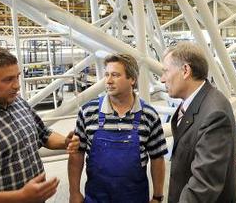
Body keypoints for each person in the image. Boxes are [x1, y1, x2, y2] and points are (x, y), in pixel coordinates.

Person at [0, 46, 80, 202]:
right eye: (8, 80)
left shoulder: (18, 103)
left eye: (17, 77)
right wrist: (20, 197)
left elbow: (43, 134)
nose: (17, 85)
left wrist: (65, 142)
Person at [69, 53, 168, 203]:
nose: (108, 81)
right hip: (97, 198)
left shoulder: (148, 115)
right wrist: (74, 192)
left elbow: (157, 158)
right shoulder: (88, 112)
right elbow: (77, 155)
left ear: (132, 79)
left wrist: (157, 196)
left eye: (115, 75)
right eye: (107, 75)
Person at [161, 42, 236, 203]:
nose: (162, 79)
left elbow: (204, 185)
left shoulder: (214, 113)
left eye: (166, 71)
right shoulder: (195, 102)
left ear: (185, 71)